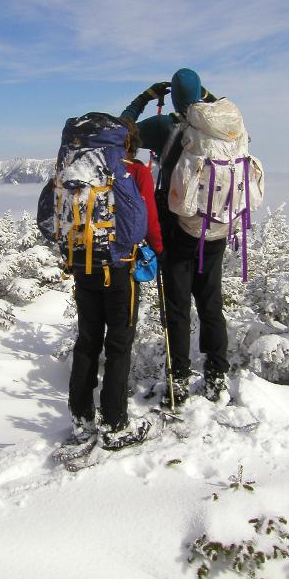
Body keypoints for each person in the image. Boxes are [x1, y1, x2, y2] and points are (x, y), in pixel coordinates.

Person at [121, 68, 230, 405]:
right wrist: (206, 99)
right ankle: (216, 376)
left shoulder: (164, 127)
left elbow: (120, 133)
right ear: (201, 95)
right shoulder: (226, 129)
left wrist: (144, 99)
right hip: (214, 228)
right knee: (211, 304)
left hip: (176, 229)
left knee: (178, 307)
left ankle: (179, 379)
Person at [67, 117, 163, 449]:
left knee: (87, 341)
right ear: (128, 142)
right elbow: (147, 219)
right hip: (120, 268)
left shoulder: (77, 166)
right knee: (119, 346)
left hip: (83, 264)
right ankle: (114, 424)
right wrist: (159, 251)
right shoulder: (135, 171)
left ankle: (81, 419)